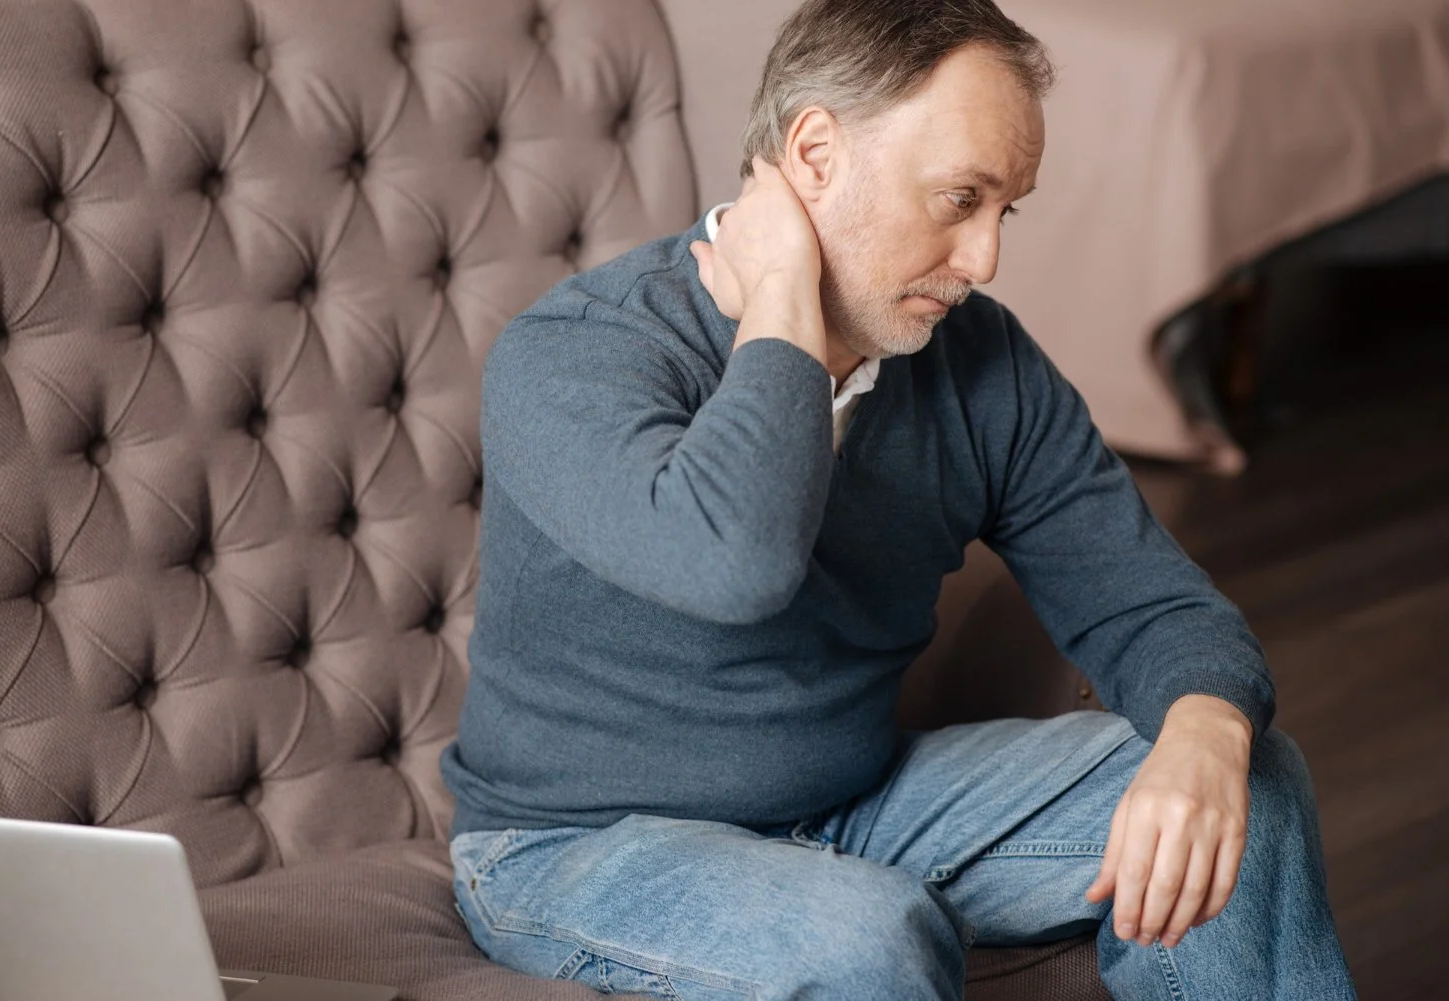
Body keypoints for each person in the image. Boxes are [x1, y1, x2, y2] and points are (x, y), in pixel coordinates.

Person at [439, 1, 1357, 997]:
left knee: (1247, 786)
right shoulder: (576, 352)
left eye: (1005, 210)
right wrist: (784, 301)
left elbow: (1153, 601)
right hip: (576, 846)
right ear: (815, 155)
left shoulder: (982, 365)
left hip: (855, 803)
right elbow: (734, 561)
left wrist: (1208, 733)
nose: (985, 259)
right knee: (864, 938)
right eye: (960, 199)